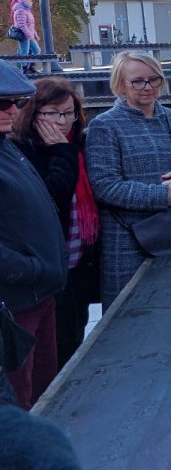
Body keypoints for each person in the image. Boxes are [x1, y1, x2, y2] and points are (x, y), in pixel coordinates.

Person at [85, 51, 171, 311]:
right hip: (128, 243)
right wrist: (162, 196)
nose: (147, 87)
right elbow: (104, 185)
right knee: (130, 322)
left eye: (154, 79)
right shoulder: (105, 126)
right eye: (137, 81)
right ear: (120, 84)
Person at [12, 78, 100, 370]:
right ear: (33, 113)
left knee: (76, 329)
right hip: (47, 265)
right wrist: (62, 152)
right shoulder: (24, 150)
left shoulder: (79, 144)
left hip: (78, 261)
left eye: (68, 112)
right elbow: (53, 198)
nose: (62, 121)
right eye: (53, 113)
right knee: (54, 346)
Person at [0, 63, 67, 409]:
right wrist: (33, 269)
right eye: (1, 103)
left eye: (13, 101)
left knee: (46, 392)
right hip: (15, 307)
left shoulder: (6, 147)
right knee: (20, 400)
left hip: (40, 295)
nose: (12, 109)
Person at [10, 0, 40, 73]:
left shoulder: (27, 9)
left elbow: (30, 23)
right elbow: (22, 24)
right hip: (23, 34)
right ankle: (25, 68)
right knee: (24, 52)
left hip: (29, 33)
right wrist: (30, 35)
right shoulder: (20, 8)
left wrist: (34, 33)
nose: (31, 1)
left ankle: (29, 66)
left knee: (35, 50)